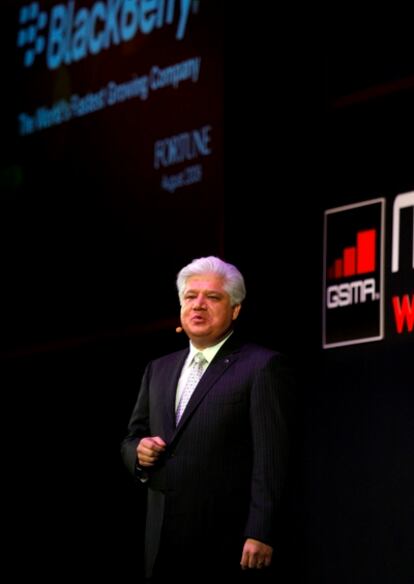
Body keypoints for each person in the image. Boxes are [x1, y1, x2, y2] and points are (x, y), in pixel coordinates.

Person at [120, 256, 294, 582]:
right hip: (159, 542)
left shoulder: (262, 366)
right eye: (190, 296)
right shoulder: (158, 369)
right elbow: (132, 437)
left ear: (235, 309)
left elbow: (272, 458)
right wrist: (138, 454)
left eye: (212, 297)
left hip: (225, 543)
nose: (199, 305)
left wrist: (261, 531)